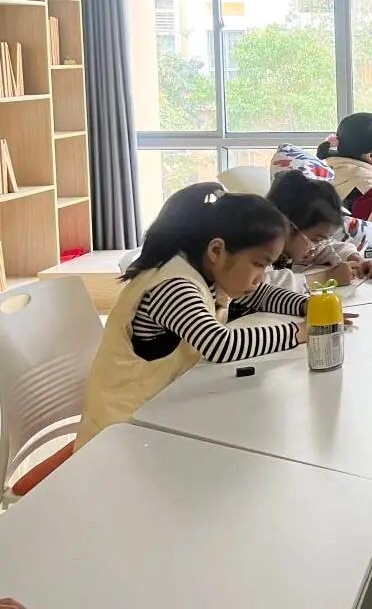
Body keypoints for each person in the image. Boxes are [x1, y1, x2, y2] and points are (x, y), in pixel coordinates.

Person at [76, 184, 354, 449]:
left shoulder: (206, 273)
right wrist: (302, 331)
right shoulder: (174, 286)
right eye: (259, 264)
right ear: (217, 251)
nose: (261, 276)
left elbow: (261, 295)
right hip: (118, 435)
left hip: (159, 415)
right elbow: (220, 344)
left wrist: (311, 306)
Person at [262, 169, 372, 293]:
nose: (316, 247)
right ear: (288, 226)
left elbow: (328, 247)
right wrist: (326, 277)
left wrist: (357, 261)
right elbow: (260, 288)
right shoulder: (259, 248)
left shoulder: (294, 245)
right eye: (316, 239)